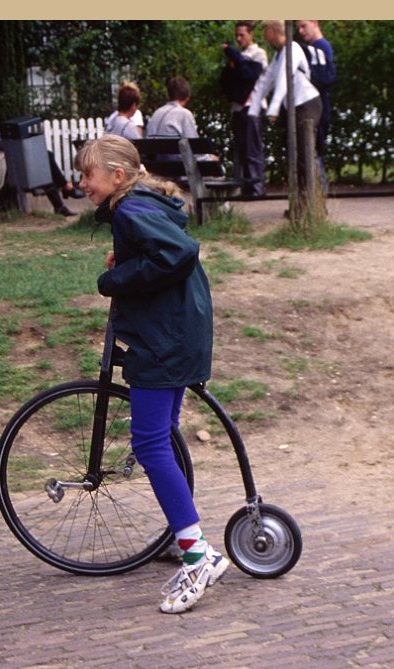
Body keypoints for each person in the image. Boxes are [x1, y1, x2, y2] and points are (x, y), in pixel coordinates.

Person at [74, 134, 228, 614]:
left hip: (165, 340)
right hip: (177, 331)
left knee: (150, 444)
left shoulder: (130, 209)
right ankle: (180, 537)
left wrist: (114, 278)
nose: (82, 184)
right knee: (161, 438)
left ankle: (198, 557)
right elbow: (159, 254)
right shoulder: (140, 202)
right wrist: (128, 261)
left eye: (88, 175)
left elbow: (177, 253)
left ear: (116, 176)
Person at [0, 85, 78, 216]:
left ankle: (63, 197)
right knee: (44, 158)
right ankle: (65, 192)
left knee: (43, 159)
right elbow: (2, 144)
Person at [249, 20, 323, 207]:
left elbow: (284, 78)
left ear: (274, 30)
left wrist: (273, 108)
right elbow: (265, 82)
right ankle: (301, 205)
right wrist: (253, 109)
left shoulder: (293, 49)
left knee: (305, 156)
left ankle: (314, 206)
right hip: (295, 107)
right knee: (296, 157)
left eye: (265, 30)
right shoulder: (278, 55)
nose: (264, 35)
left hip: (307, 103)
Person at [220, 21, 268, 196]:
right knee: (241, 151)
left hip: (252, 106)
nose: (239, 39)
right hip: (237, 108)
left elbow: (249, 75)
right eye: (237, 36)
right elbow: (226, 81)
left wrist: (234, 57)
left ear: (251, 34)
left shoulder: (258, 54)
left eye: (242, 35)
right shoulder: (239, 56)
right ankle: (246, 187)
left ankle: (257, 188)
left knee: (253, 150)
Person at [297, 20, 336, 193]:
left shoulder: (320, 47)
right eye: (298, 27)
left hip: (317, 106)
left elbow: (325, 78)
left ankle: (318, 195)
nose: (301, 31)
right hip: (318, 105)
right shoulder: (318, 47)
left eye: (304, 26)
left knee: (313, 151)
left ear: (314, 22)